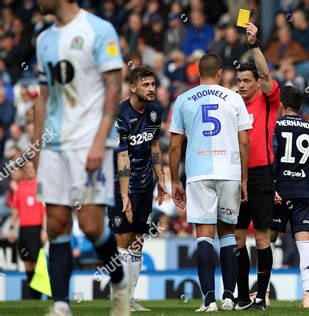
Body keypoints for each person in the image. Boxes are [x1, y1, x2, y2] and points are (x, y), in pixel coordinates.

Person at [33, 1, 128, 315]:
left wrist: (101, 140)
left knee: (89, 224)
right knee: (57, 222)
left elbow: (114, 87)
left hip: (89, 140)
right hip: (54, 145)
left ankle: (119, 279)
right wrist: (36, 147)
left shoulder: (99, 30)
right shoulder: (43, 39)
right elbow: (44, 97)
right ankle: (61, 304)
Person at [169, 53, 251, 312]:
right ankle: (229, 296)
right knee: (228, 234)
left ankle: (209, 300)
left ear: (197, 73)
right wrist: (244, 178)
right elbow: (245, 142)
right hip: (229, 172)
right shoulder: (235, 98)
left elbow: (174, 145)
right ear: (219, 73)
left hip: (198, 172)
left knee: (204, 236)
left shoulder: (183, 100)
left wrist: (174, 180)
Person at [108, 66, 167, 312]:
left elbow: (154, 146)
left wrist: (161, 179)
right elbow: (122, 157)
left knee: (138, 241)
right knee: (123, 238)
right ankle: (119, 299)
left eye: (153, 84)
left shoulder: (155, 111)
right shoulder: (120, 115)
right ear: (133, 87)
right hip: (121, 184)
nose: (151, 89)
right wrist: (124, 195)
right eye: (146, 85)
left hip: (145, 185)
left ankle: (130, 298)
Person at [234, 22, 281, 311]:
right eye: (238, 81)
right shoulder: (231, 103)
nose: (241, 85)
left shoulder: (268, 100)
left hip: (261, 174)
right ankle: (241, 297)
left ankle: (261, 298)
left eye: (245, 81)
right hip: (234, 176)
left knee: (261, 236)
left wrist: (254, 45)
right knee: (237, 237)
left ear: (256, 83)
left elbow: (265, 72)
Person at [270, 86, 309, 308]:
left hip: (278, 191)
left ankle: (264, 294)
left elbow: (270, 158)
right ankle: (307, 296)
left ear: (281, 105)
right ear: (300, 107)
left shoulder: (275, 126)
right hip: (303, 191)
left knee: (267, 241)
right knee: (305, 244)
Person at [8, 161, 46, 299]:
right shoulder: (20, 187)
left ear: (35, 170)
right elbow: (16, 209)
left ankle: (40, 293)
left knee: (37, 263)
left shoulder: (39, 186)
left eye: (32, 167)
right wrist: (12, 227)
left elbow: (44, 210)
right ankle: (33, 295)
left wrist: (44, 229)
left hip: (36, 229)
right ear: (24, 170)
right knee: (27, 263)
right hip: (23, 229)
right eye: (27, 168)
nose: (29, 170)